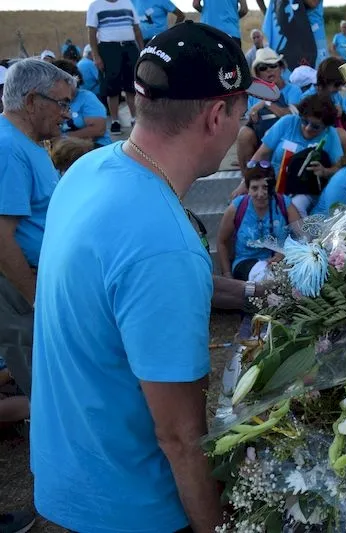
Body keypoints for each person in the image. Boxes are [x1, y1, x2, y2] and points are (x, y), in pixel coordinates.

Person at [30, 21, 275, 532]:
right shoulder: (164, 244)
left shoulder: (88, 169)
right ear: (216, 116)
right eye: (242, 110)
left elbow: (124, 293)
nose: (242, 122)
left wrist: (256, 291)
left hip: (70, 475)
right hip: (135, 507)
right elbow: (180, 438)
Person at [0, 58, 74, 402]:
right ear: (31, 101)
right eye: (62, 103)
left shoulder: (23, 144)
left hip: (35, 281)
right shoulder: (8, 148)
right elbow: (2, 238)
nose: (67, 114)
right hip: (21, 288)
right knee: (47, 387)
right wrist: (36, 298)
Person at [248, 93, 344, 213]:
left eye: (315, 126)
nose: (307, 128)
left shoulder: (330, 134)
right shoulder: (287, 122)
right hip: (275, 185)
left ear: (325, 127)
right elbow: (261, 154)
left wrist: (325, 171)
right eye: (304, 121)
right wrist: (245, 182)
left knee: (295, 207)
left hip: (306, 191)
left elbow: (340, 167)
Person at [217, 162, 298, 280]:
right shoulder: (237, 207)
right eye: (254, 188)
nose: (260, 194)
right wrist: (227, 274)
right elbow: (222, 241)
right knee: (265, 277)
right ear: (248, 189)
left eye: (265, 187)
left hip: (279, 262)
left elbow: (303, 236)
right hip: (245, 262)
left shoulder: (283, 203)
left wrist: (286, 251)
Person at [236, 47, 303, 170]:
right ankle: (248, 177)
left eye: (273, 65)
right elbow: (251, 120)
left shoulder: (293, 90)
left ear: (281, 68)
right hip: (261, 137)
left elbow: (290, 116)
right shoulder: (253, 94)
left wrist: (266, 103)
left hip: (287, 137)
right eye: (263, 67)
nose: (269, 70)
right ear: (258, 74)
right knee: (244, 134)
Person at [86, 0, 144, 135]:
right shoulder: (95, 6)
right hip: (108, 49)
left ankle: (134, 119)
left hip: (129, 47)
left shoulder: (128, 3)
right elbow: (92, 33)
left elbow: (136, 29)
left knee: (132, 86)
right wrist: (96, 56)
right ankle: (115, 121)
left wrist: (142, 50)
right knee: (112, 87)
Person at [52, 60, 111, 148]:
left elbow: (98, 129)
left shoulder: (87, 98)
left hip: (95, 146)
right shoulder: (51, 101)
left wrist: (64, 138)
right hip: (65, 148)